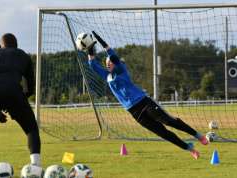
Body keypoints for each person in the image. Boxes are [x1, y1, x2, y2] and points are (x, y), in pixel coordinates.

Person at [87, 31, 208, 160]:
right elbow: (92, 65)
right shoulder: (107, 76)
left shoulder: (121, 69)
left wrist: (102, 43)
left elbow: (113, 56)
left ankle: (198, 135)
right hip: (134, 112)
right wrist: (90, 48)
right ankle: (190, 149)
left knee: (169, 121)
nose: (108, 63)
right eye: (107, 63)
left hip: (144, 103)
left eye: (110, 62)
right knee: (163, 133)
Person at [0, 33, 41, 178]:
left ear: (0, 46)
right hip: (14, 92)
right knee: (31, 129)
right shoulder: (22, 55)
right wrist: (17, 103)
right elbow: (30, 87)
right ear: (16, 47)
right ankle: (36, 168)